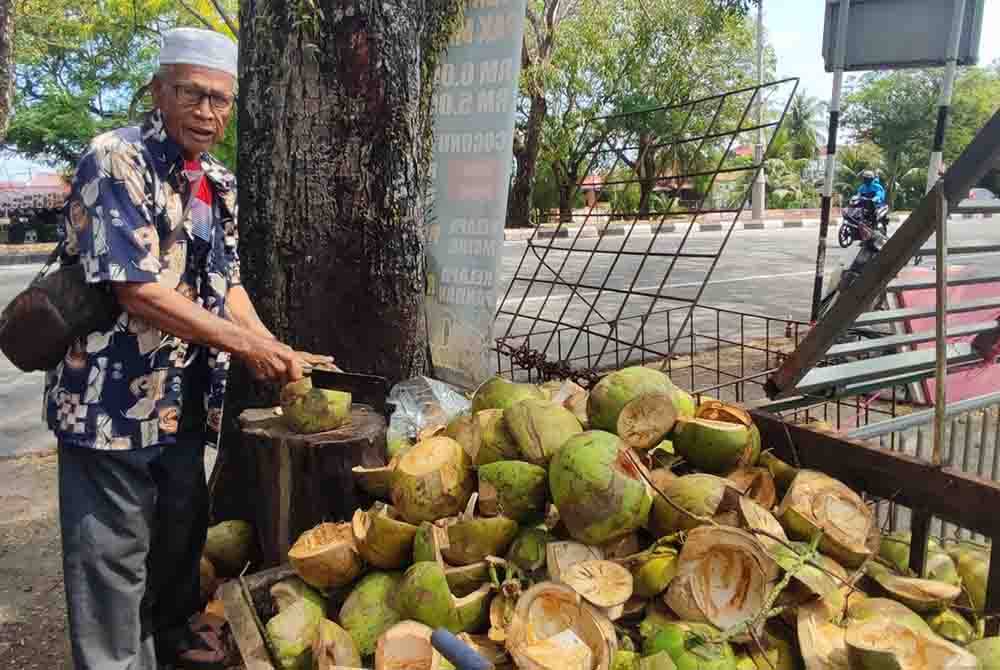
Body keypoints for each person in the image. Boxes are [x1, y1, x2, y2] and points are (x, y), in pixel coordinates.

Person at [44, 27, 330, 669]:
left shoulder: (216, 181)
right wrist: (243, 342)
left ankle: (171, 643)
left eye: (220, 100)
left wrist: (270, 346)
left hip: (185, 403)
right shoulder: (115, 159)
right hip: (110, 407)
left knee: (177, 540)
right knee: (111, 564)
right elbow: (137, 291)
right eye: (192, 95)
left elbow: (224, 282)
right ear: (159, 91)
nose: (208, 112)